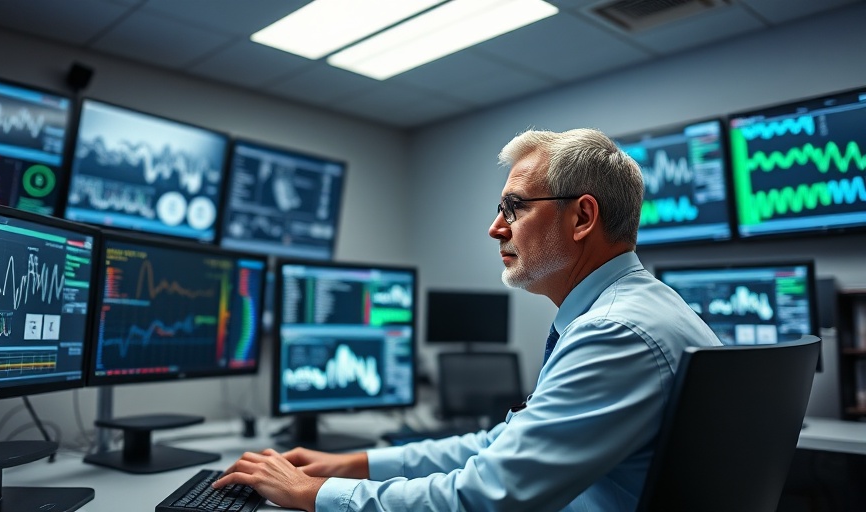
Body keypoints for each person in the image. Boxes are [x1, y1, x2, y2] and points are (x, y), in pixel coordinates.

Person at [214, 128, 723, 511]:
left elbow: (482, 498)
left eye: (514, 207)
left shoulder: (614, 333)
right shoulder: (643, 308)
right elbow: (501, 447)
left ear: (582, 218)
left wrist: (317, 493)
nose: (495, 227)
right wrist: (355, 464)